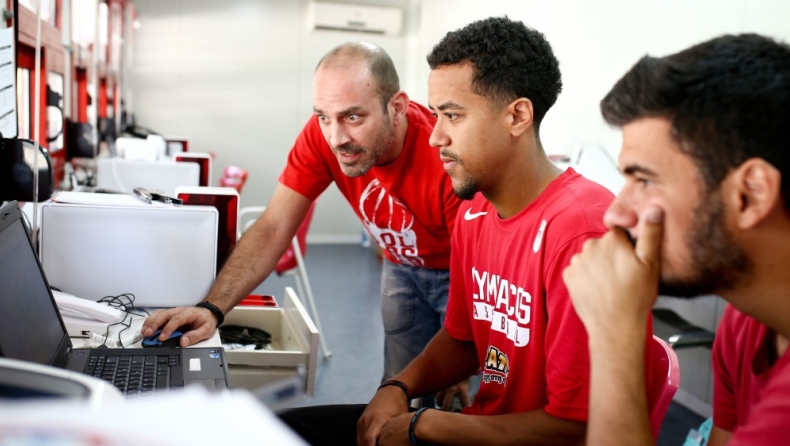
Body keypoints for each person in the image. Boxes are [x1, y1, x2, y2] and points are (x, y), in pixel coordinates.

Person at [279, 16, 640, 446]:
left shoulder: (580, 232)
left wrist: (425, 424)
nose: (434, 138)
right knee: (285, 428)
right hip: (480, 424)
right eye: (435, 116)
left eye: (452, 115)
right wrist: (398, 387)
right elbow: (461, 337)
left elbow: (578, 427)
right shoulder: (474, 213)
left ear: (517, 116)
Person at [142, 42, 463, 391]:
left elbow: (477, 267)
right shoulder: (321, 137)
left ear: (397, 107)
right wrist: (212, 308)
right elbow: (274, 225)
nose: (336, 137)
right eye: (324, 116)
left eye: (353, 116)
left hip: (461, 270)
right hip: (401, 265)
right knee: (400, 385)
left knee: (459, 396)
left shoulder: (444, 156)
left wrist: (459, 362)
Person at [562, 33, 790, 445]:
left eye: (644, 179)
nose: (616, 213)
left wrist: (616, 335)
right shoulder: (745, 324)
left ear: (750, 194)